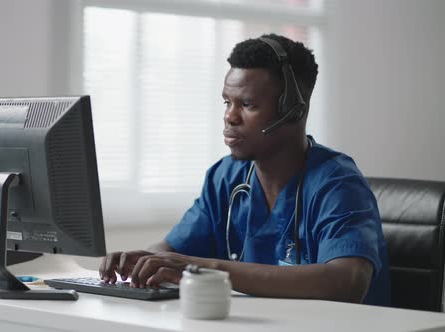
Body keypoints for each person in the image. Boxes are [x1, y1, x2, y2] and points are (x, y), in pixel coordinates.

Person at [99, 33, 390, 306]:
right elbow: (172, 251)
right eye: (227, 102)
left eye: (247, 104)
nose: (230, 117)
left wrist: (202, 268)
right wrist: (139, 261)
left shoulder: (337, 183)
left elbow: (347, 282)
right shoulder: (225, 177)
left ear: (294, 110)